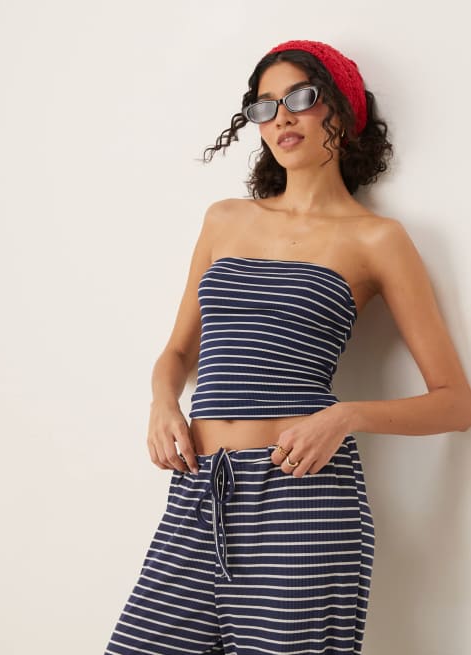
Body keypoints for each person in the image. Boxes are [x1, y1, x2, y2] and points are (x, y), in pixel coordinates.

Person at [103, 39, 471, 655]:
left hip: (301, 500)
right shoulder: (225, 219)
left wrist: (345, 416)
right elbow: (177, 354)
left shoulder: (378, 240)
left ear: (341, 110)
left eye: (300, 97)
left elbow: (456, 402)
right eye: (264, 105)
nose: (281, 117)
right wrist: (162, 403)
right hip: (198, 490)